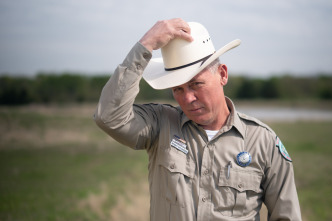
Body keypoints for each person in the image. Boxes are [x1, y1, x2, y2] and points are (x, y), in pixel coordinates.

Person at [94, 18, 302, 221]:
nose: (187, 98)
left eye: (196, 84)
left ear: (222, 74)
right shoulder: (160, 124)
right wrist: (145, 45)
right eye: (178, 89)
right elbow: (109, 117)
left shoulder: (263, 141)